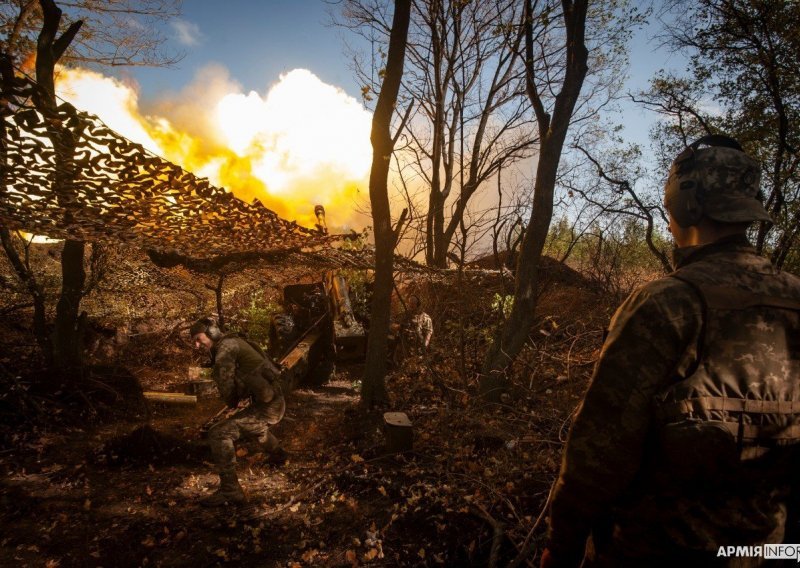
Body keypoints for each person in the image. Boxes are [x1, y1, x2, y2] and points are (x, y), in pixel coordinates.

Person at [542, 135, 800, 567]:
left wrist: (562, 542)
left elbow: (600, 450)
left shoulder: (668, 303)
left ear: (685, 205)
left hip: (656, 551)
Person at [190, 317, 287, 507]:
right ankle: (280, 456)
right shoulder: (234, 342)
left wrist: (232, 402)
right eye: (194, 341)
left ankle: (230, 491)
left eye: (199, 339)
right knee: (254, 427)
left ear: (212, 334)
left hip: (269, 407)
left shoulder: (226, 348)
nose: (196, 345)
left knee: (218, 433)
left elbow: (224, 379)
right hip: (271, 403)